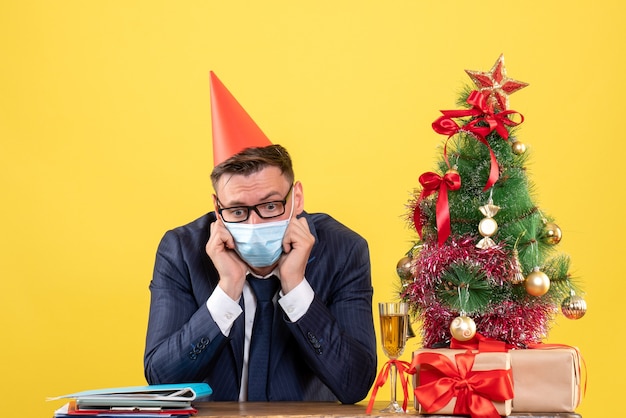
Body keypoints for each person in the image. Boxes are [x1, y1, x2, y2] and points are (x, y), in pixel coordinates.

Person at [143, 72, 377, 403]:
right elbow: (162, 381)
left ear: (296, 197)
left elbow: (354, 384)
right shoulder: (180, 251)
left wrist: (296, 287)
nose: (254, 222)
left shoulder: (344, 251)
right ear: (216, 207)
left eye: (270, 205)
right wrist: (226, 290)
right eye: (237, 210)